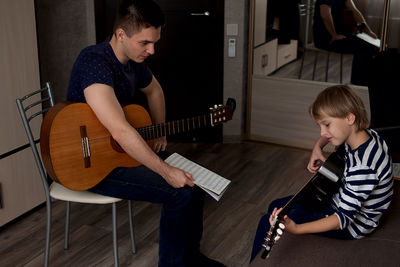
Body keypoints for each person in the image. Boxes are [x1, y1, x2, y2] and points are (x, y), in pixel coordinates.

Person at [67, 0, 225, 266]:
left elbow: (155, 91)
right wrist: (166, 171)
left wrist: (160, 133)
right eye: (145, 43)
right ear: (121, 35)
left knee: (194, 184)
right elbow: (119, 130)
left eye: (155, 42)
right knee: (178, 191)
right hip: (89, 165)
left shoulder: (132, 60)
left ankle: (190, 257)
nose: (152, 50)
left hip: (121, 153)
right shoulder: (94, 62)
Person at [250, 85, 393, 261]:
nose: (322, 132)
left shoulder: (363, 167)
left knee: (267, 221)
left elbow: (342, 219)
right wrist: (318, 147)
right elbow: (329, 135)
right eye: (320, 125)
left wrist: (297, 229)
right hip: (339, 197)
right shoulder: (367, 135)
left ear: (349, 117)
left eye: (326, 124)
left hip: (352, 225)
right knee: (275, 205)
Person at [313, 0, 378, 86]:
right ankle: (358, 84)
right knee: (364, 48)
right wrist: (334, 34)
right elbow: (324, 14)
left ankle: (366, 81)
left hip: (340, 35)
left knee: (371, 46)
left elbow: (355, 11)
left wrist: (368, 32)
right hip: (326, 38)